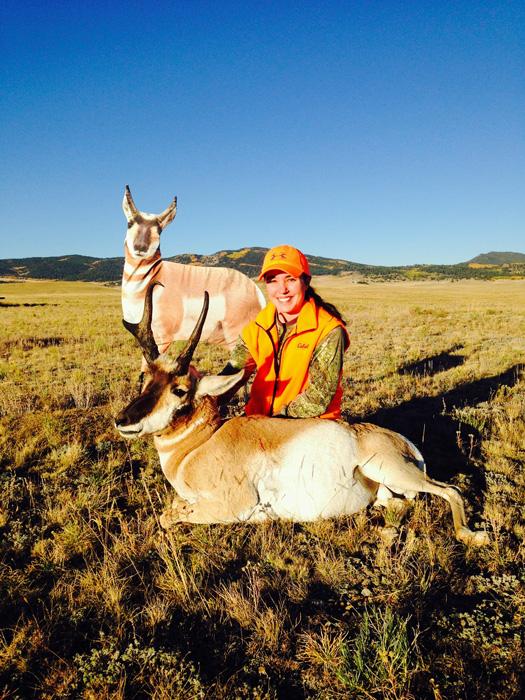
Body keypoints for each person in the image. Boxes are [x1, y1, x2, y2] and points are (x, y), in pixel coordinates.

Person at [222, 245, 350, 419]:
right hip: (260, 421)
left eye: (290, 279)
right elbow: (234, 372)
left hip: (309, 425)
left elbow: (318, 398)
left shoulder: (328, 330)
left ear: (306, 282)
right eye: (272, 280)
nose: (282, 289)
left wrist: (275, 422)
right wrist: (198, 390)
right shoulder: (259, 326)